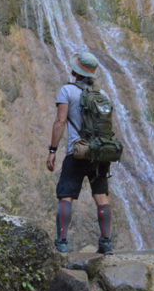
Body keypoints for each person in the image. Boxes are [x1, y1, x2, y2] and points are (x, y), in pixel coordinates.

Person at [46, 52, 113, 255]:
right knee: (101, 196)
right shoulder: (103, 95)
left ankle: (62, 243)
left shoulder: (67, 90)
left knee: (66, 197)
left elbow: (60, 122)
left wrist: (52, 150)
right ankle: (106, 243)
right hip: (99, 153)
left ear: (76, 70)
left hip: (76, 152)